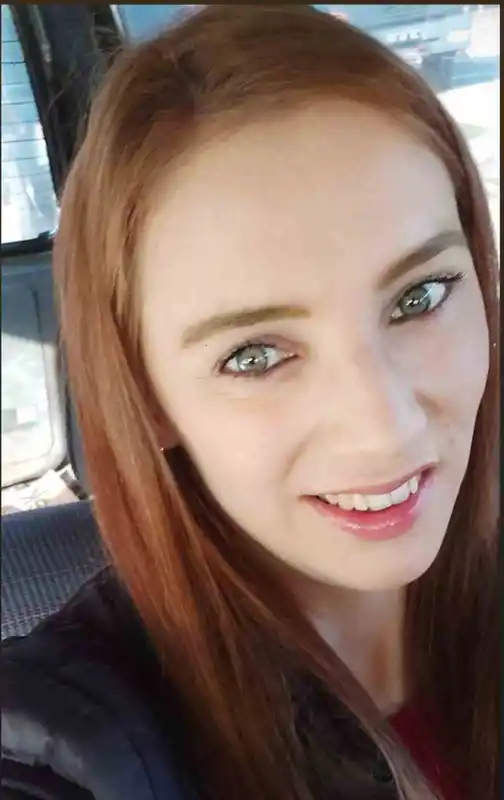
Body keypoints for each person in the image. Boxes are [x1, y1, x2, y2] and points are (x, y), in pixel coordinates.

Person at [2, 6, 498, 800]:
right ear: (149, 400)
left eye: (421, 296)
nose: (386, 426)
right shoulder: (64, 749)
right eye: (256, 356)